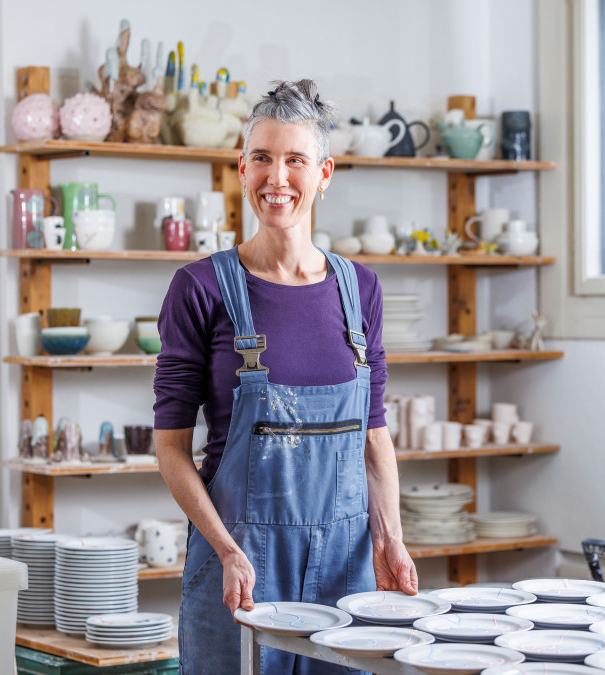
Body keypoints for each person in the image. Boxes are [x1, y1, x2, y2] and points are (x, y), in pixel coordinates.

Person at [153, 79, 417, 674]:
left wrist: (390, 539)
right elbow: (170, 450)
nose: (278, 178)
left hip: (347, 570)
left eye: (295, 160)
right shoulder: (200, 288)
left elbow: (374, 439)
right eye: (263, 159)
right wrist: (225, 549)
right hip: (240, 565)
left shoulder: (360, 291)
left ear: (324, 174)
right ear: (241, 170)